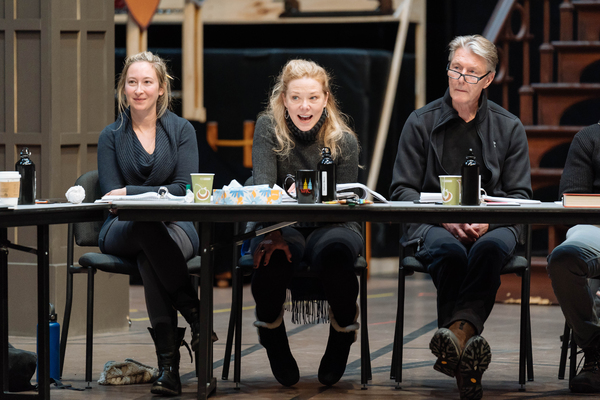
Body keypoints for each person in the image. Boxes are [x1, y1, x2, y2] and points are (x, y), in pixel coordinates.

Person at [389, 35, 532, 399]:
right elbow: (401, 190)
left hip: (494, 224)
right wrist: (444, 219)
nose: (461, 78)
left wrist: (488, 221)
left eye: (471, 72)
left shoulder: (509, 126)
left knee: (487, 250)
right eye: (456, 68)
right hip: (433, 224)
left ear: (488, 79)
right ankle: (465, 361)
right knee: (451, 254)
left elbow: (520, 196)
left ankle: (455, 336)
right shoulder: (420, 122)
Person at [97, 51, 208, 396]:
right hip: (123, 228)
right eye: (132, 82)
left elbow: (184, 188)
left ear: (162, 88)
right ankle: (194, 312)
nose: (139, 89)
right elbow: (114, 200)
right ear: (123, 88)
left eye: (147, 82)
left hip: (177, 225)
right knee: (145, 224)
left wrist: (133, 190)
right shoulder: (111, 136)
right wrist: (142, 195)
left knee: (150, 258)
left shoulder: (181, 130)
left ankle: (169, 370)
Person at [250, 59, 363, 387]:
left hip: (333, 223)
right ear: (284, 99)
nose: (304, 106)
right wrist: (275, 233)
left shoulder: (345, 141)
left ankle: (342, 333)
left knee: (336, 254)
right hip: (280, 221)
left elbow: (341, 208)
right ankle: (272, 333)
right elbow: (264, 188)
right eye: (296, 98)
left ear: (326, 99)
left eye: (313, 98)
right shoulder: (268, 127)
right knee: (274, 256)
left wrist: (305, 194)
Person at [546, 120, 600, 393]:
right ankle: (594, 347)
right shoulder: (589, 137)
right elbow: (573, 198)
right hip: (596, 226)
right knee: (564, 258)